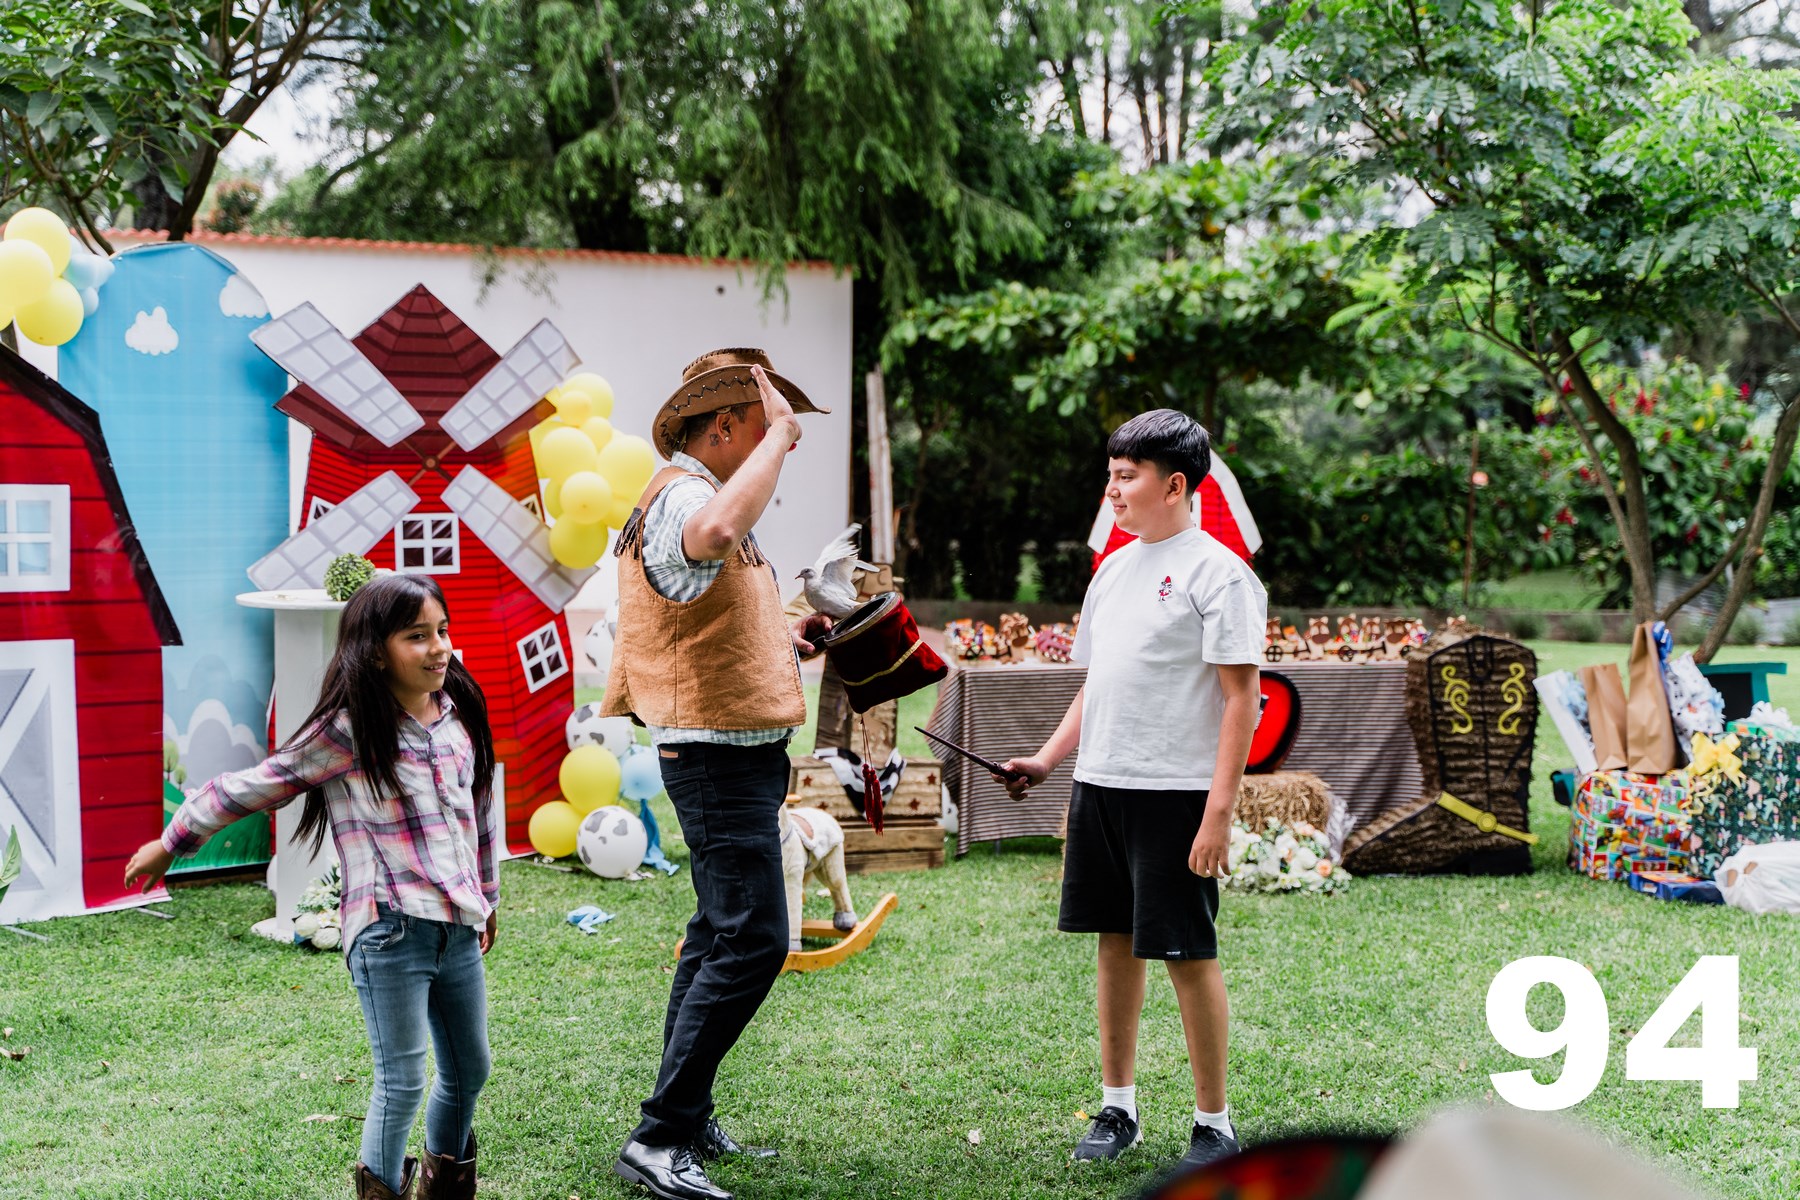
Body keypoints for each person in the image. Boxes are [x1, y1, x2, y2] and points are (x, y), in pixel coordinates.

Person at [123, 574, 500, 1200]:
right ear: (375, 652)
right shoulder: (351, 731)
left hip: (457, 926)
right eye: (417, 636)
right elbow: (254, 785)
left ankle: (446, 1189)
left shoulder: (457, 712)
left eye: (442, 630)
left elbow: (478, 809)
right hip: (391, 930)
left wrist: (486, 896)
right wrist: (172, 842)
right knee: (402, 1081)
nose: (439, 648)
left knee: (470, 1068)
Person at [999, 409, 1266, 1173]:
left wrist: (1218, 813)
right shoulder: (1113, 571)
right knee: (1114, 946)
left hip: (1174, 796)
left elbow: (1242, 699)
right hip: (1100, 788)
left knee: (1187, 954)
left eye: (1126, 477)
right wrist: (1048, 760)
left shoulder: (1220, 574)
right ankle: (1118, 1108)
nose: (1112, 491)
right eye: (1110, 476)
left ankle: (1214, 1125)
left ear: (1174, 485)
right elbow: (1100, 682)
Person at [602, 348, 832, 1200]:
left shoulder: (691, 491)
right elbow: (715, 536)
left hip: (733, 754)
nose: (779, 445)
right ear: (729, 424)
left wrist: (787, 637)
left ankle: (685, 1117)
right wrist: (782, 436)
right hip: (716, 760)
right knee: (755, 939)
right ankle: (659, 1137)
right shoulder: (688, 496)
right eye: (763, 427)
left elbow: (703, 604)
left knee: (715, 932)